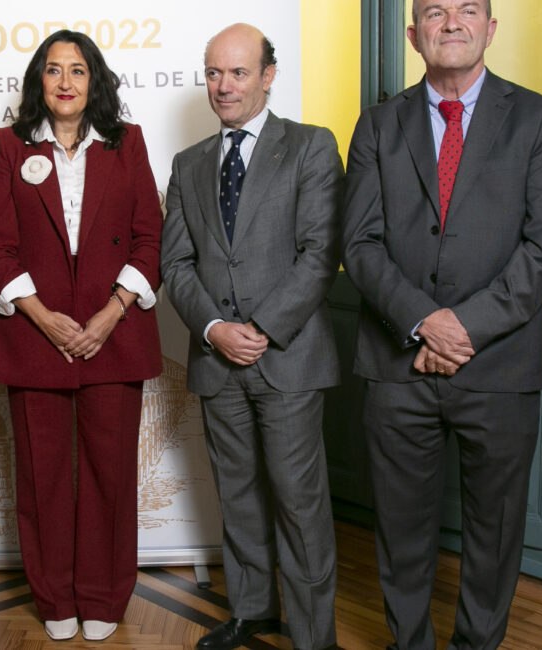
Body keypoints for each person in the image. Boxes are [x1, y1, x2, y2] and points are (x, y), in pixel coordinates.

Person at [341, 1, 542, 647]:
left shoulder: (540, 118)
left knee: (494, 536)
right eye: (434, 12)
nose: (451, 22)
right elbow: (359, 244)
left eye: (468, 9)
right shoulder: (377, 125)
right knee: (401, 532)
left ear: (490, 29)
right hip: (397, 367)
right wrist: (422, 320)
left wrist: (461, 328)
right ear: (413, 34)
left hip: (500, 367)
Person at [0, 29, 162, 644]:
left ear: (94, 80)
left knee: (111, 476)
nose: (64, 81)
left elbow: (149, 239)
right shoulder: (10, 146)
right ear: (39, 81)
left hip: (115, 337)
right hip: (35, 340)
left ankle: (104, 596)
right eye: (53, 70)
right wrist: (43, 316)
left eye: (77, 70)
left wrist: (110, 314)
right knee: (43, 478)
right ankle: (54, 597)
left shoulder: (127, 143)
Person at [160, 23, 343, 650]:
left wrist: (260, 330)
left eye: (238, 72)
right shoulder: (188, 164)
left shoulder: (311, 147)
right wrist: (215, 329)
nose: (224, 86)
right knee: (236, 496)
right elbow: (176, 263)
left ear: (268, 75)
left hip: (287, 358)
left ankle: (314, 636)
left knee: (299, 502)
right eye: (214, 73)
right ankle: (252, 610)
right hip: (218, 362)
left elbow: (320, 254)